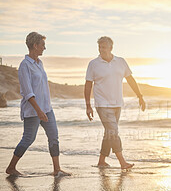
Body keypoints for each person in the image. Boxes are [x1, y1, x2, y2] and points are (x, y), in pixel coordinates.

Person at [6, 32, 70, 177]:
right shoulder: (25, 66)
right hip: (33, 110)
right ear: (35, 46)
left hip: (47, 108)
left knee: (53, 136)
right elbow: (27, 92)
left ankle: (57, 169)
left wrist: (44, 109)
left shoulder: (40, 64)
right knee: (28, 138)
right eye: (42, 44)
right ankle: (11, 167)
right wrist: (38, 111)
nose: (44, 48)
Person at [84, 36, 146, 169]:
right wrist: (88, 106)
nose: (101, 50)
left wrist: (140, 96)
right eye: (100, 47)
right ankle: (122, 162)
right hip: (102, 104)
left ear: (111, 48)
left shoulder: (121, 62)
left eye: (104, 47)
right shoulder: (93, 64)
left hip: (117, 104)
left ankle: (101, 160)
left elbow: (130, 79)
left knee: (109, 133)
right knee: (113, 132)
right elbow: (88, 85)